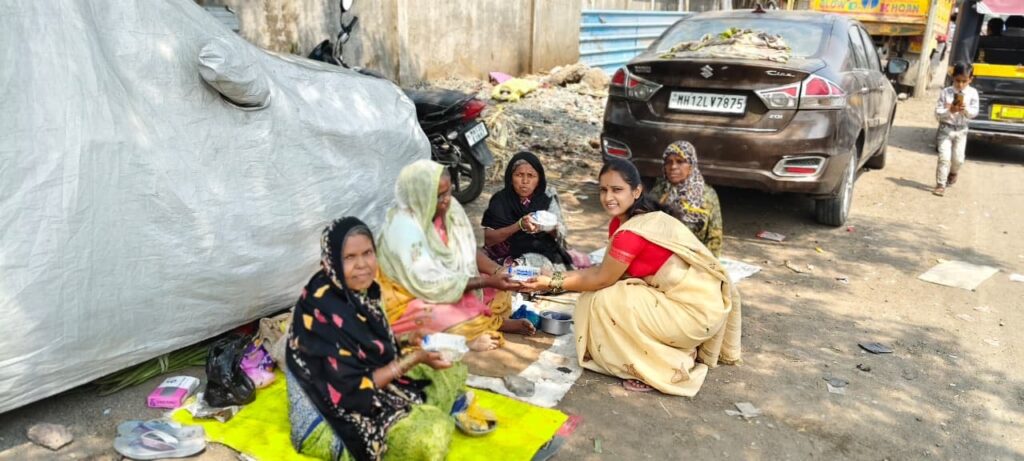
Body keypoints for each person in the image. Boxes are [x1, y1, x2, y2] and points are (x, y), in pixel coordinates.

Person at [520, 158, 741, 397]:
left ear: (636, 192)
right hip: (698, 307)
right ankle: (672, 349)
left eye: (617, 189)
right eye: (603, 190)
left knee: (603, 300)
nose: (608, 197)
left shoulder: (630, 232)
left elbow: (602, 279)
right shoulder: (635, 219)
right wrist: (557, 276)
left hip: (693, 316)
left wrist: (552, 282)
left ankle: (657, 368)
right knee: (608, 293)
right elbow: (605, 272)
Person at [285, 217, 465, 461]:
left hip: (371, 386)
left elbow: (369, 348)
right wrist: (413, 359)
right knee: (427, 436)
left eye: (367, 253)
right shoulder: (318, 311)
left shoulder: (362, 292)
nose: (362, 265)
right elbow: (352, 389)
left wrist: (407, 338)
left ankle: (424, 410)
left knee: (449, 369)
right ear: (330, 263)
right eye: (349, 257)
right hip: (329, 418)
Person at [377, 160, 535, 351]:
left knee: (499, 291)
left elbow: (468, 251)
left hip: (449, 285)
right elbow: (431, 286)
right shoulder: (404, 229)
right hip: (410, 297)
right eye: (438, 195)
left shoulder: (447, 213)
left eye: (448, 192)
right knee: (436, 317)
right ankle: (466, 340)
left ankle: (492, 322)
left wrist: (498, 271)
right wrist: (487, 282)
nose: (446, 200)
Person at [482, 151, 582, 273]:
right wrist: (519, 225)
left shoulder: (547, 198)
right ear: (510, 177)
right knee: (475, 259)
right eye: (519, 175)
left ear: (539, 179)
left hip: (541, 253)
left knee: (549, 274)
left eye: (531, 176)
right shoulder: (500, 200)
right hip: (505, 254)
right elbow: (489, 239)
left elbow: (561, 232)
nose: (525, 181)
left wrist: (547, 227)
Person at [649, 141, 724, 257]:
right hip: (661, 256)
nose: (673, 167)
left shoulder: (707, 195)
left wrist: (709, 265)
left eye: (680, 162)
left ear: (691, 165)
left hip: (694, 257)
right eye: (669, 162)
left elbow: (714, 236)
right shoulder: (659, 191)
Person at [933, 62, 978, 197]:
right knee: (944, 157)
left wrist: (965, 110)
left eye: (964, 81)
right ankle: (941, 184)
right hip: (945, 129)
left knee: (958, 159)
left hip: (962, 130)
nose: (960, 85)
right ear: (953, 77)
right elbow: (937, 113)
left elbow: (974, 113)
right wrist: (949, 111)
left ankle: (953, 172)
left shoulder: (973, 93)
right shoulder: (946, 92)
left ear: (970, 79)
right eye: (957, 81)